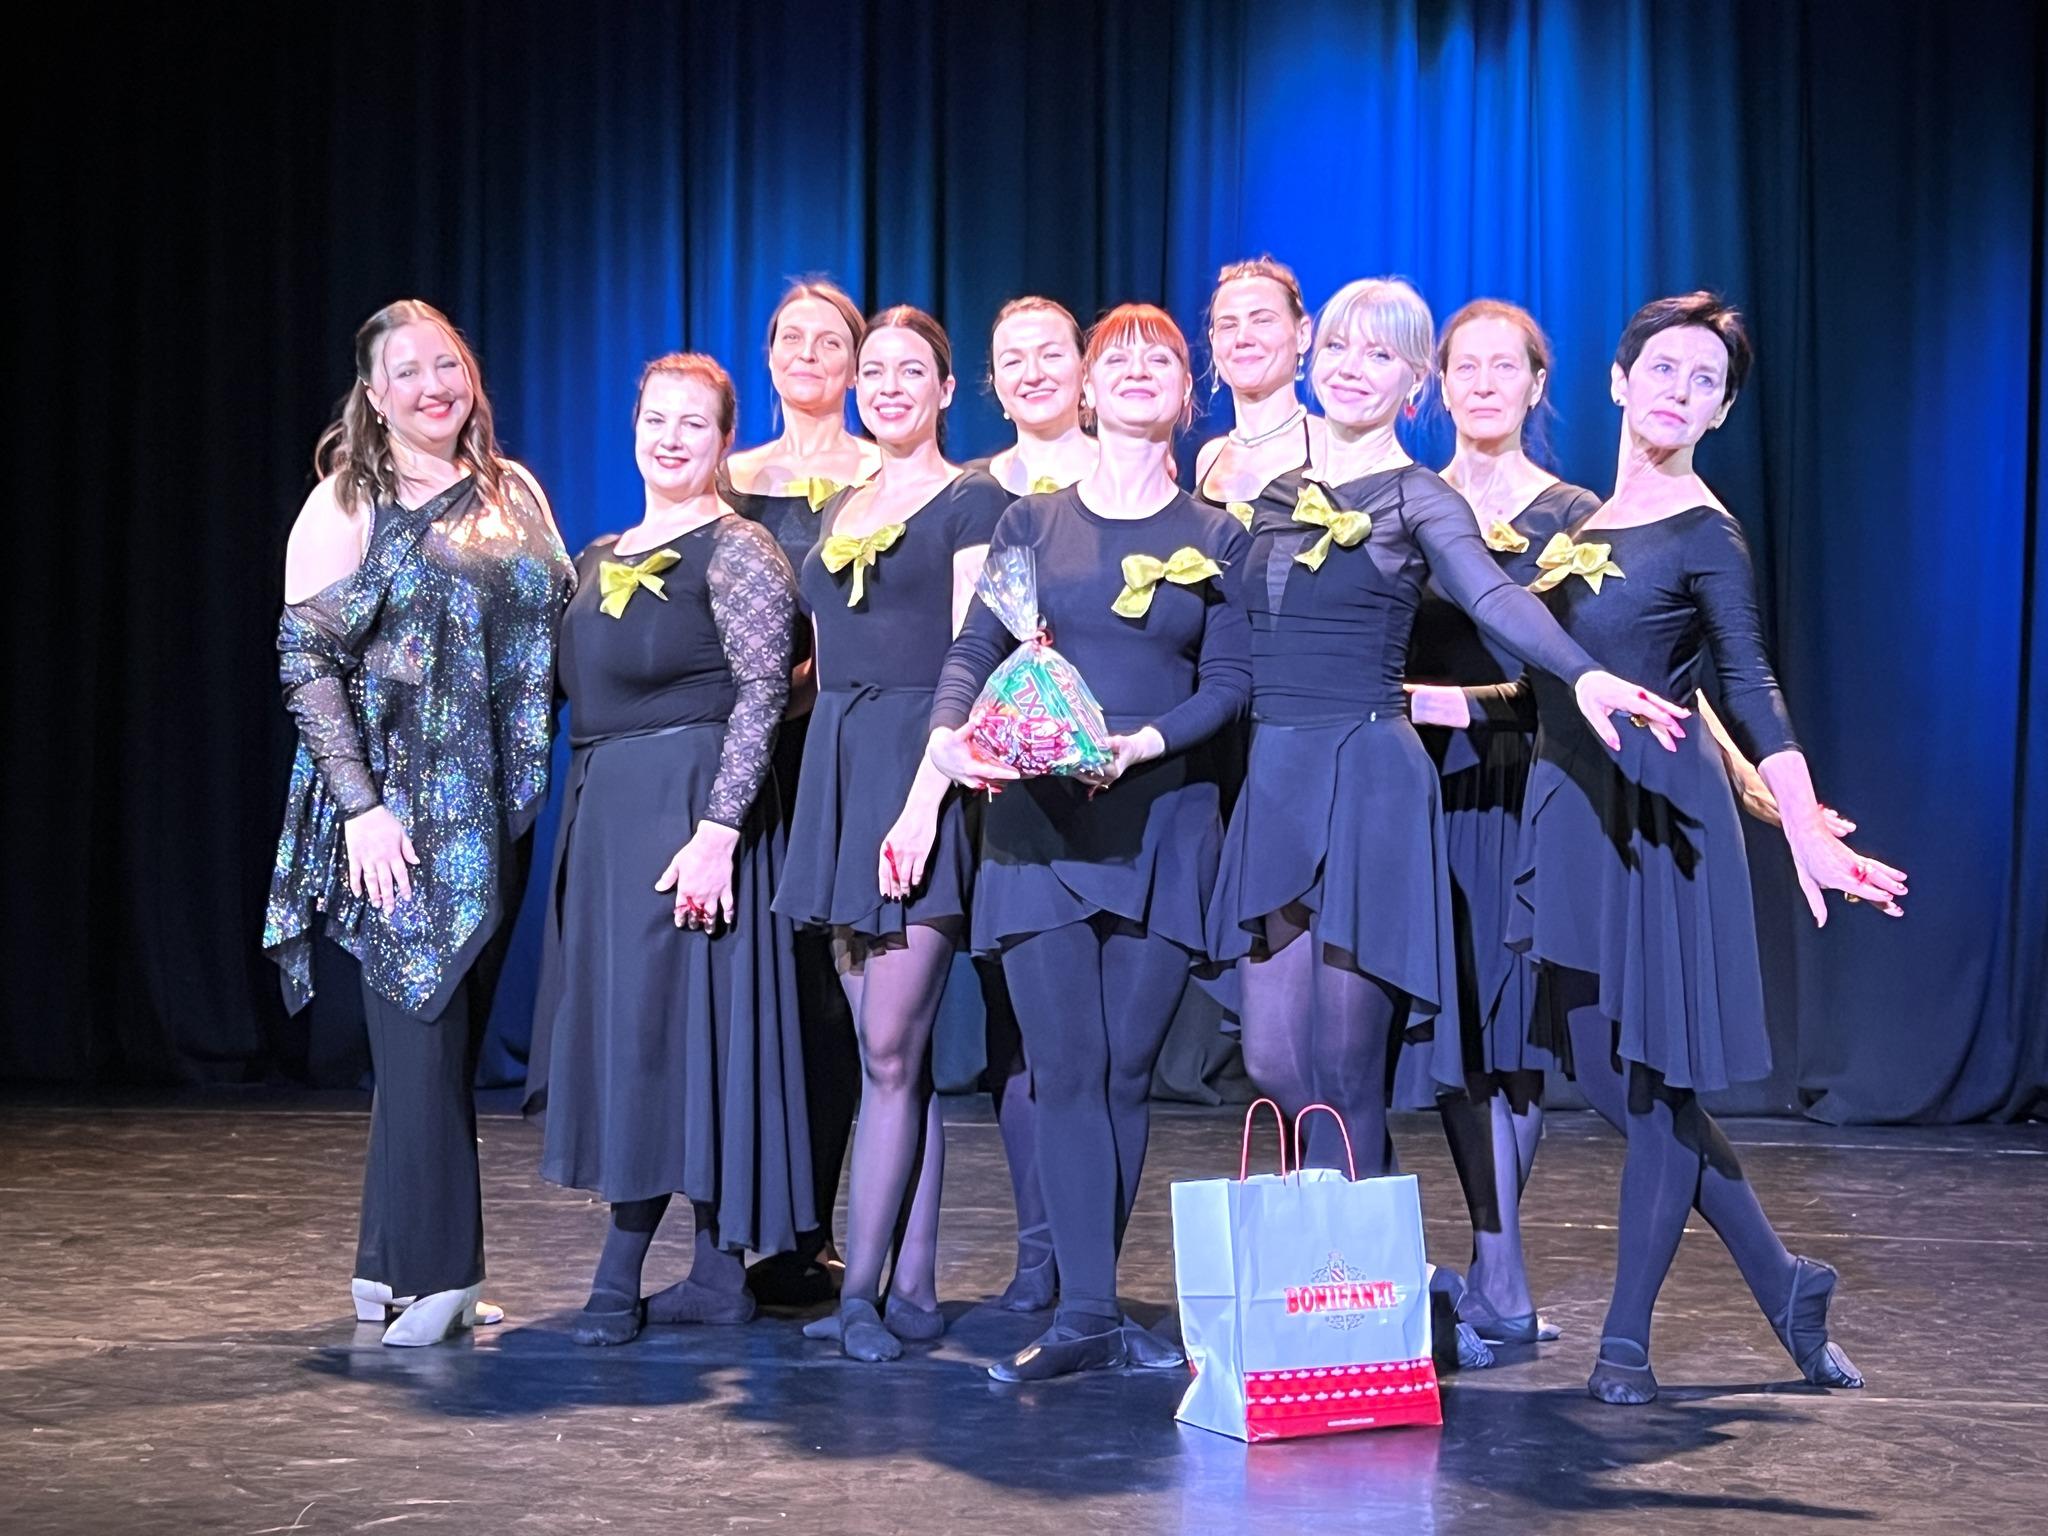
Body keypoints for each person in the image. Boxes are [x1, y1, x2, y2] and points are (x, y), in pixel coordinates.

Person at [1410, 292, 1907, 1403]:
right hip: (1571, 807)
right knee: (1606, 1075)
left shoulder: (1702, 531)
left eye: (1704, 382)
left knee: (1653, 1085)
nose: (1679, 391)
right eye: (1663, 370)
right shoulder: (1586, 526)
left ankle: (1624, 1342)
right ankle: (1784, 1282)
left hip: (1655, 819)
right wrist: (1426, 703)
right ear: (1617, 381)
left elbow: (1748, 683)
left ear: (1720, 411)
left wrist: (1801, 820)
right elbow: (1554, 680)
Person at [1203, 279, 1688, 1372]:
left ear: (1412, 384)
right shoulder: (1269, 495)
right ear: (1312, 358)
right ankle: (1371, 1281)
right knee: (1274, 1058)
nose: (1352, 367)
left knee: (1347, 1069)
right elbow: (1219, 634)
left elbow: (1496, 601)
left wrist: (1585, 675)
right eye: (1339, 346)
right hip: (1277, 779)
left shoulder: (1420, 498)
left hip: (1372, 782)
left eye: (1381, 356)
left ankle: (1353, 1327)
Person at [929, 303, 1252, 1382]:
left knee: (1122, 1074)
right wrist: (948, 736)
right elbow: (975, 644)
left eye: (1161, 360)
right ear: (1087, 388)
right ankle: (1085, 1317)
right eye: (1119, 359)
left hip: (1161, 821)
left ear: (1186, 394)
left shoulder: (1218, 536)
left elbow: (1231, 683)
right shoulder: (1032, 523)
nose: (1138, 372)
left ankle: (1091, 1310)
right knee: (1064, 1068)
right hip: (1039, 826)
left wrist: (1145, 743)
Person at [264, 299, 572, 1346]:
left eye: (447, 365)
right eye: (408, 372)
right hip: (397, 812)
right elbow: (305, 661)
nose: (433, 386)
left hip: (493, 807)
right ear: (374, 393)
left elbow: (554, 626)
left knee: (438, 1039)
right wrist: (361, 808)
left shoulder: (512, 488)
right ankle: (441, 1275)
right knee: (421, 1026)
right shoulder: (348, 500)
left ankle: (386, 1264)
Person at [525, 353, 812, 1345]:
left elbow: (764, 694)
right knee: (633, 1036)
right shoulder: (599, 554)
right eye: (657, 418)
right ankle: (715, 1279)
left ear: (724, 440)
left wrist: (720, 831)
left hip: (692, 813)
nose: (672, 437)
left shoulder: (737, 549)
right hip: (607, 819)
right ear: (634, 426)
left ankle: (631, 1270)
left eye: (695, 422)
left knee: (684, 1039)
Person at [773, 307, 1009, 1360]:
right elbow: (821, 661)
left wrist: (924, 804)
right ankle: (911, 1288)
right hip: (839, 769)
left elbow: (974, 659)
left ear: (946, 390)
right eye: (874, 370)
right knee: (891, 1062)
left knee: (886, 1048)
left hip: (921, 771)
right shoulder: (842, 505)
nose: (888, 386)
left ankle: (860, 1295)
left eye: (912, 371)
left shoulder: (976, 501)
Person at [1410, 299, 1602, 1344]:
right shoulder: (1409, 499)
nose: (1483, 384)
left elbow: (1575, 670)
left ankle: (1501, 1276)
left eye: (1504, 368)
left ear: (1537, 385)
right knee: (1454, 1036)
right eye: (1465, 367)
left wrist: (1446, 705)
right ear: (1438, 385)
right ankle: (1500, 1278)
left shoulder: (1573, 514)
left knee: (1509, 1033)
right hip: (1421, 793)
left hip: (1523, 786)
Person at [721, 280, 881, 1304]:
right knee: (751, 988)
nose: (809, 354)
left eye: (831, 341)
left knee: (831, 998)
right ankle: (734, 1231)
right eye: (793, 338)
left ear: (856, 364)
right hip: (752, 755)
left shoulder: (882, 471)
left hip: (845, 748)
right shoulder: (726, 476)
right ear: (769, 354)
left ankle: (810, 1230)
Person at [957, 295, 1098, 1311]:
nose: (1035, 370)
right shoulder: (977, 495)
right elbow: (966, 642)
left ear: (1085, 369)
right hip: (997, 781)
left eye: (1052, 352)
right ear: (993, 383)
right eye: (1014, 358)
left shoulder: (1130, 473)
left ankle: (1091, 1254)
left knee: (1095, 1039)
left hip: (1108, 773)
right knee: (1016, 1028)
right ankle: (1039, 1245)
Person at [1193, 256, 1323, 530]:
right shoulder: (1209, 457)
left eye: (1262, 321)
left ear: (1302, 334)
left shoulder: (1331, 445)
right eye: (1228, 325)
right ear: (1213, 343)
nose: (1243, 338)